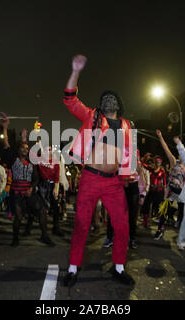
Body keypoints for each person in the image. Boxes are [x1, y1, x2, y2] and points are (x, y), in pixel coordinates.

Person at [62, 55, 135, 287]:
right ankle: (73, 268)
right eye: (105, 98)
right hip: (90, 179)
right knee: (83, 223)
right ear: (101, 104)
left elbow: (128, 153)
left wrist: (129, 174)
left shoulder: (126, 125)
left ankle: (119, 267)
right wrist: (75, 72)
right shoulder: (92, 117)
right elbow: (70, 100)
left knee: (122, 225)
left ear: (119, 104)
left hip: (113, 183)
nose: (109, 100)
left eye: (113, 98)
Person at [1, 115, 54, 247]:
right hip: (17, 193)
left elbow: (36, 178)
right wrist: (5, 127)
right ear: (18, 150)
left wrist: (31, 188)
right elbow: (6, 143)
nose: (25, 149)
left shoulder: (31, 161)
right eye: (22, 148)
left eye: (26, 148)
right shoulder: (13, 159)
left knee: (42, 211)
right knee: (18, 217)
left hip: (29, 192)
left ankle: (45, 236)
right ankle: (15, 238)